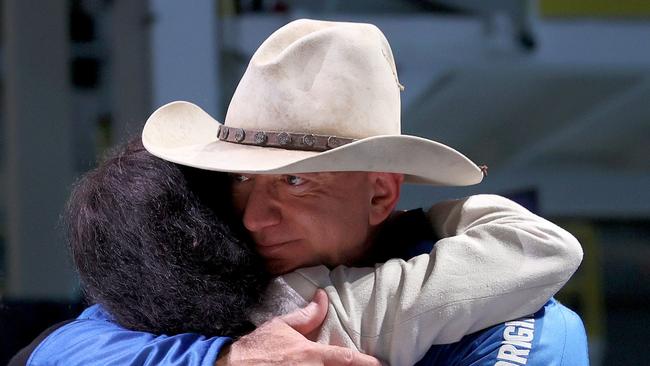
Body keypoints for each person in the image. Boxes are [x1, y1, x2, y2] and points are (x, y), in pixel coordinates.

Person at [16, 19, 588, 365]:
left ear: (380, 196)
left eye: (296, 182)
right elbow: (52, 353)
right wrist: (227, 357)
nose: (257, 218)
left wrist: (340, 316)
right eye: (241, 179)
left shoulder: (520, 320)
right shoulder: (213, 269)